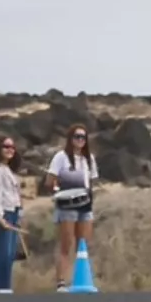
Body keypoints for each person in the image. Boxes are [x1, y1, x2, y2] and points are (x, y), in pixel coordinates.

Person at [45, 125, 98, 291]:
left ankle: (82, 279)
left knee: (83, 244)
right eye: (77, 136)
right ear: (70, 138)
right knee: (66, 243)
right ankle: (61, 282)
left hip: (85, 205)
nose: (80, 140)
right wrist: (59, 191)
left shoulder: (89, 158)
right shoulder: (61, 157)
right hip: (66, 206)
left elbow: (93, 180)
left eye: (83, 137)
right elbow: (49, 180)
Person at [0, 136, 24, 294]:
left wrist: (20, 215)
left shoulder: (9, 171)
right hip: (3, 214)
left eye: (12, 147)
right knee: (1, 254)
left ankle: (5, 287)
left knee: (9, 254)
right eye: (6, 146)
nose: (10, 149)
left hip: (13, 213)